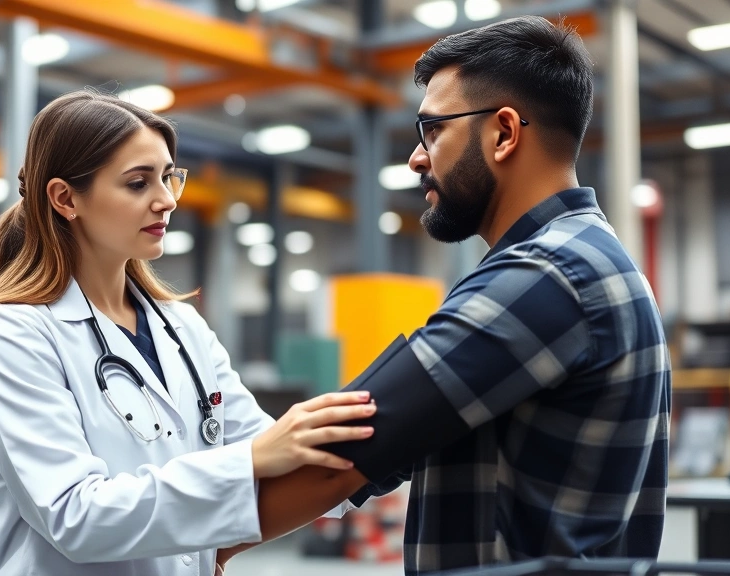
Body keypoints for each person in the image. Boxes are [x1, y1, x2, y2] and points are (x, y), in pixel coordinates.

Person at [216, 15, 671, 574]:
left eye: (433, 130)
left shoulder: (546, 274)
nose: (416, 157)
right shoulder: (586, 256)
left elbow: (349, 444)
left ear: (504, 133)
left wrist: (202, 545)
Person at [0, 90, 377, 576]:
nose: (167, 199)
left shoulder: (181, 327)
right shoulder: (11, 334)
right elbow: (74, 517)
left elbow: (281, 458)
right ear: (66, 198)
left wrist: (382, 438)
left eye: (170, 176)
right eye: (138, 183)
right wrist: (250, 460)